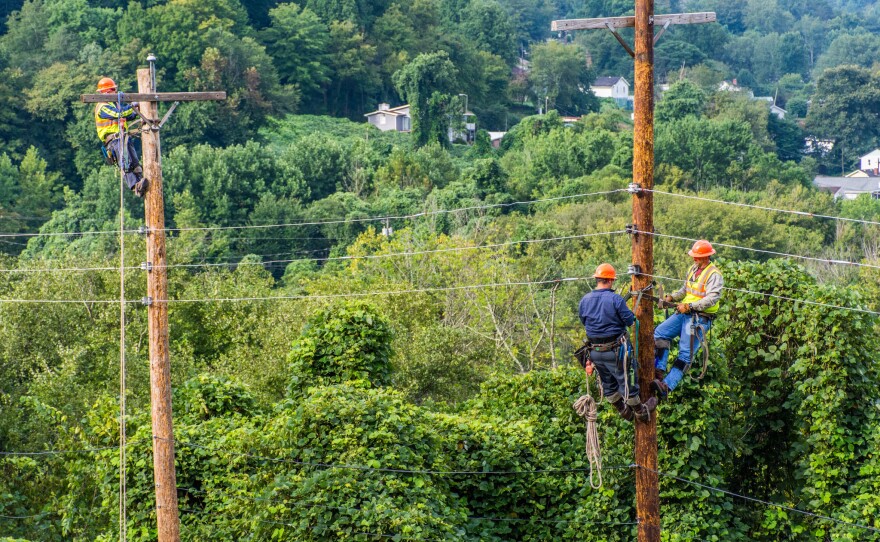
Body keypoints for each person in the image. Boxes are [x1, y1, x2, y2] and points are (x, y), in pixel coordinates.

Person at [579, 263, 657, 422]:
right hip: (616, 351)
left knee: (607, 383)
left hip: (595, 352)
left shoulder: (585, 300)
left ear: (597, 279)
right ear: (610, 281)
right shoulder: (615, 299)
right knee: (628, 381)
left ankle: (623, 410)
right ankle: (640, 411)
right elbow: (630, 321)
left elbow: (584, 320)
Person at [652, 240, 723, 399]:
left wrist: (690, 306)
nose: (694, 259)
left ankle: (667, 386)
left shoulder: (714, 275)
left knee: (685, 354)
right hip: (685, 314)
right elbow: (685, 291)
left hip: (699, 318)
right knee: (660, 333)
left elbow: (712, 299)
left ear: (706, 257)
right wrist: (671, 298)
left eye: (697, 257)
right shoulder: (693, 269)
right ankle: (659, 371)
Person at [94, 77, 148, 197]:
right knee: (126, 163)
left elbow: (127, 116)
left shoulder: (115, 105)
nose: (114, 92)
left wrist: (139, 113)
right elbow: (120, 114)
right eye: (112, 90)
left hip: (124, 138)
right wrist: (134, 105)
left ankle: (141, 183)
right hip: (114, 141)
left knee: (135, 163)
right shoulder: (102, 106)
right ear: (105, 92)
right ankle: (135, 186)